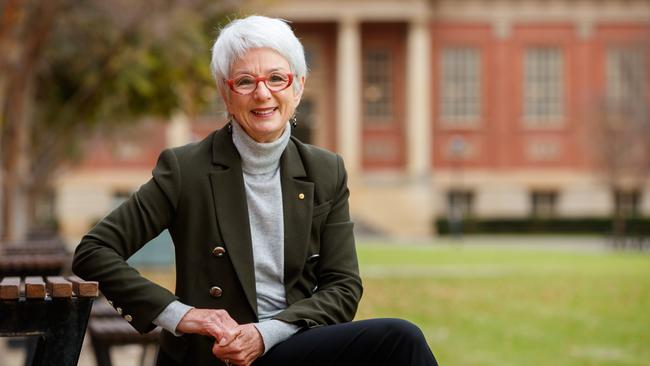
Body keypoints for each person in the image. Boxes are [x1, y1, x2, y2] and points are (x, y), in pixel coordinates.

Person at [72, 15, 438, 366]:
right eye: (245, 81)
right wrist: (182, 316)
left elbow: (342, 286)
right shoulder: (187, 169)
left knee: (401, 340)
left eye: (276, 78)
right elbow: (94, 251)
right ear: (226, 95)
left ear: (297, 87)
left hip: (289, 343)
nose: (262, 93)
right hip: (214, 353)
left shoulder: (326, 170)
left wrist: (265, 334)